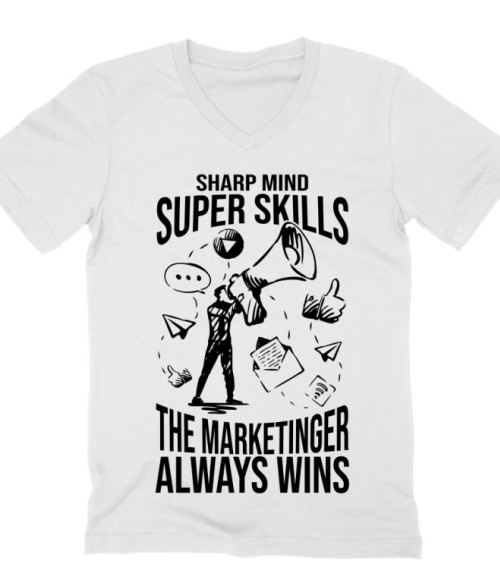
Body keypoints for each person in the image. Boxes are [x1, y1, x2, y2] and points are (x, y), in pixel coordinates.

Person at [192, 284, 243, 405]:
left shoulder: (228, 306)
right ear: (219, 294)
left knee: (228, 371)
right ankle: (197, 396)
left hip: (226, 342)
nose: (228, 293)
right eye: (225, 291)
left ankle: (230, 397)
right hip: (214, 343)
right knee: (206, 370)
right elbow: (226, 314)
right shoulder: (212, 308)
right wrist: (238, 300)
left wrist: (238, 300)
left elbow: (239, 310)